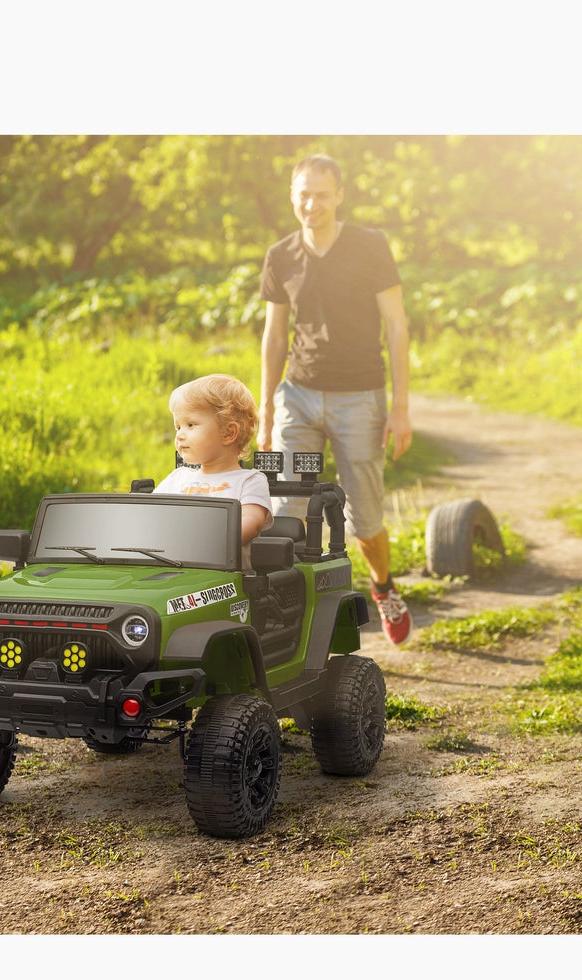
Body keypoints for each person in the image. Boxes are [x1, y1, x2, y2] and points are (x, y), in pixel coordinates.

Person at [257, 152, 413, 645]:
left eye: (322, 194)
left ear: (339, 195)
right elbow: (275, 335)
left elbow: (397, 324)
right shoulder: (281, 255)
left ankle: (383, 587)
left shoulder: (370, 246)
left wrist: (401, 406)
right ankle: (292, 613)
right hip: (298, 399)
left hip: (359, 400)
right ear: (292, 197)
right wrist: (265, 409)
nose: (312, 204)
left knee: (364, 518)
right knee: (289, 508)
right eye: (303, 194)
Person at [154, 373, 273, 568]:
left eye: (190, 425)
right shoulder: (178, 478)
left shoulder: (249, 480)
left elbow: (252, 522)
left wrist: (203, 543)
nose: (180, 435)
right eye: (178, 426)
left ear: (228, 433)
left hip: (226, 583)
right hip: (171, 572)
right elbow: (150, 514)